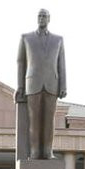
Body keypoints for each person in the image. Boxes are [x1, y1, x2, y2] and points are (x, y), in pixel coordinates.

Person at [16, 8, 66, 160]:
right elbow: (21, 62)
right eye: (39, 15)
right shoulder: (26, 38)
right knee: (34, 120)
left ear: (49, 19)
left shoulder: (58, 40)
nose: (42, 18)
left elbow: (61, 64)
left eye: (44, 16)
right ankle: (35, 152)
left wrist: (63, 85)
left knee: (49, 121)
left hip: (52, 84)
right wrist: (20, 86)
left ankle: (47, 151)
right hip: (32, 84)